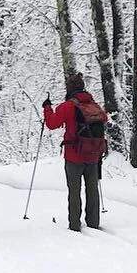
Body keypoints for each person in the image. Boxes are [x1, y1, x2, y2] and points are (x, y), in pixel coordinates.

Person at [43, 72, 108, 232]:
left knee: (74, 190)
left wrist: (47, 108)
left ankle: (74, 225)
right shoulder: (93, 104)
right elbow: (104, 118)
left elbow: (52, 124)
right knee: (92, 188)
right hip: (93, 154)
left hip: (74, 154)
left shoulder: (67, 106)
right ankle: (93, 222)